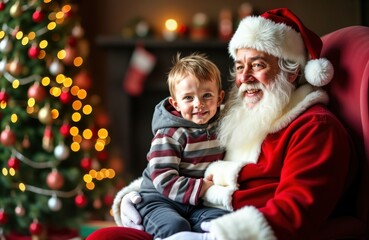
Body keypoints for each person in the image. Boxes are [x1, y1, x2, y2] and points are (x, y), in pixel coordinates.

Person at [87, 8, 357, 240]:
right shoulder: (242, 114)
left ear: (292, 70)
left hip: (232, 228)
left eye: (257, 64)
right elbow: (183, 164)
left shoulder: (315, 128)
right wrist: (135, 195)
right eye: (239, 67)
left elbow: (297, 211)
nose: (244, 77)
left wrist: (216, 237)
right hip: (191, 209)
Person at [133, 52, 229, 238]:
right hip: (160, 200)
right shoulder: (169, 134)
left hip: (197, 204)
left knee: (219, 222)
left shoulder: (221, 126)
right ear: (175, 103)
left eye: (207, 95)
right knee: (174, 227)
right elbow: (163, 178)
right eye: (188, 98)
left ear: (219, 98)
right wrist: (202, 187)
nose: (198, 104)